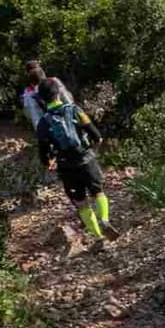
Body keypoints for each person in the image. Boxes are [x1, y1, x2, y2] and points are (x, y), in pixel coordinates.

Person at [36, 85, 117, 246]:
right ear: (58, 94)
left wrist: (49, 163)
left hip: (66, 167)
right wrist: (92, 151)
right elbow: (96, 136)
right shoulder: (74, 110)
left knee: (81, 203)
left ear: (42, 100)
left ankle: (99, 237)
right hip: (86, 160)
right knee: (98, 193)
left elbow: (43, 152)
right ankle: (105, 220)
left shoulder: (43, 122)